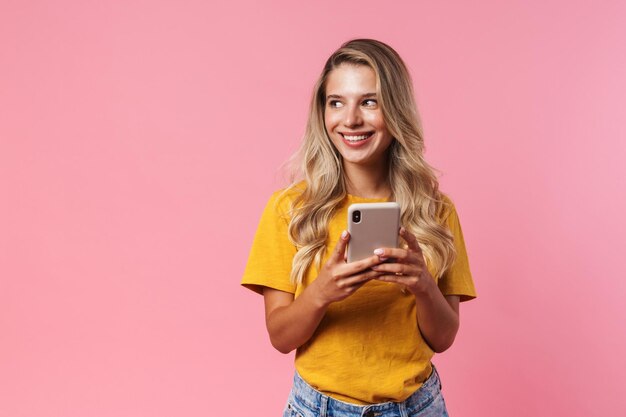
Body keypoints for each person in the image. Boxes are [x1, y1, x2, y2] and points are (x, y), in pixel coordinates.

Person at [241, 39, 476, 417]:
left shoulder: (434, 211)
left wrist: (423, 286)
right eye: (336, 102)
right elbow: (280, 338)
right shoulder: (291, 210)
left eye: (369, 101)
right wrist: (322, 292)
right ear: (323, 112)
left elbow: (444, 338)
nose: (350, 120)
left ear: (396, 110)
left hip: (417, 407)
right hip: (317, 408)